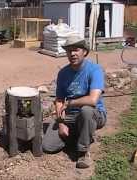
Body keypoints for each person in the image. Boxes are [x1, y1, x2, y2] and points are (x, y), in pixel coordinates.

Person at [42, 35, 107, 169]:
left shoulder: (95, 70)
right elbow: (59, 99)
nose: (72, 54)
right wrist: (60, 123)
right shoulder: (63, 73)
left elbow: (93, 100)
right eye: (69, 50)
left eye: (76, 50)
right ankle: (79, 134)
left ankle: (83, 152)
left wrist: (69, 103)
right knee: (48, 146)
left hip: (95, 114)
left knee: (86, 111)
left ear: (84, 52)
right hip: (71, 115)